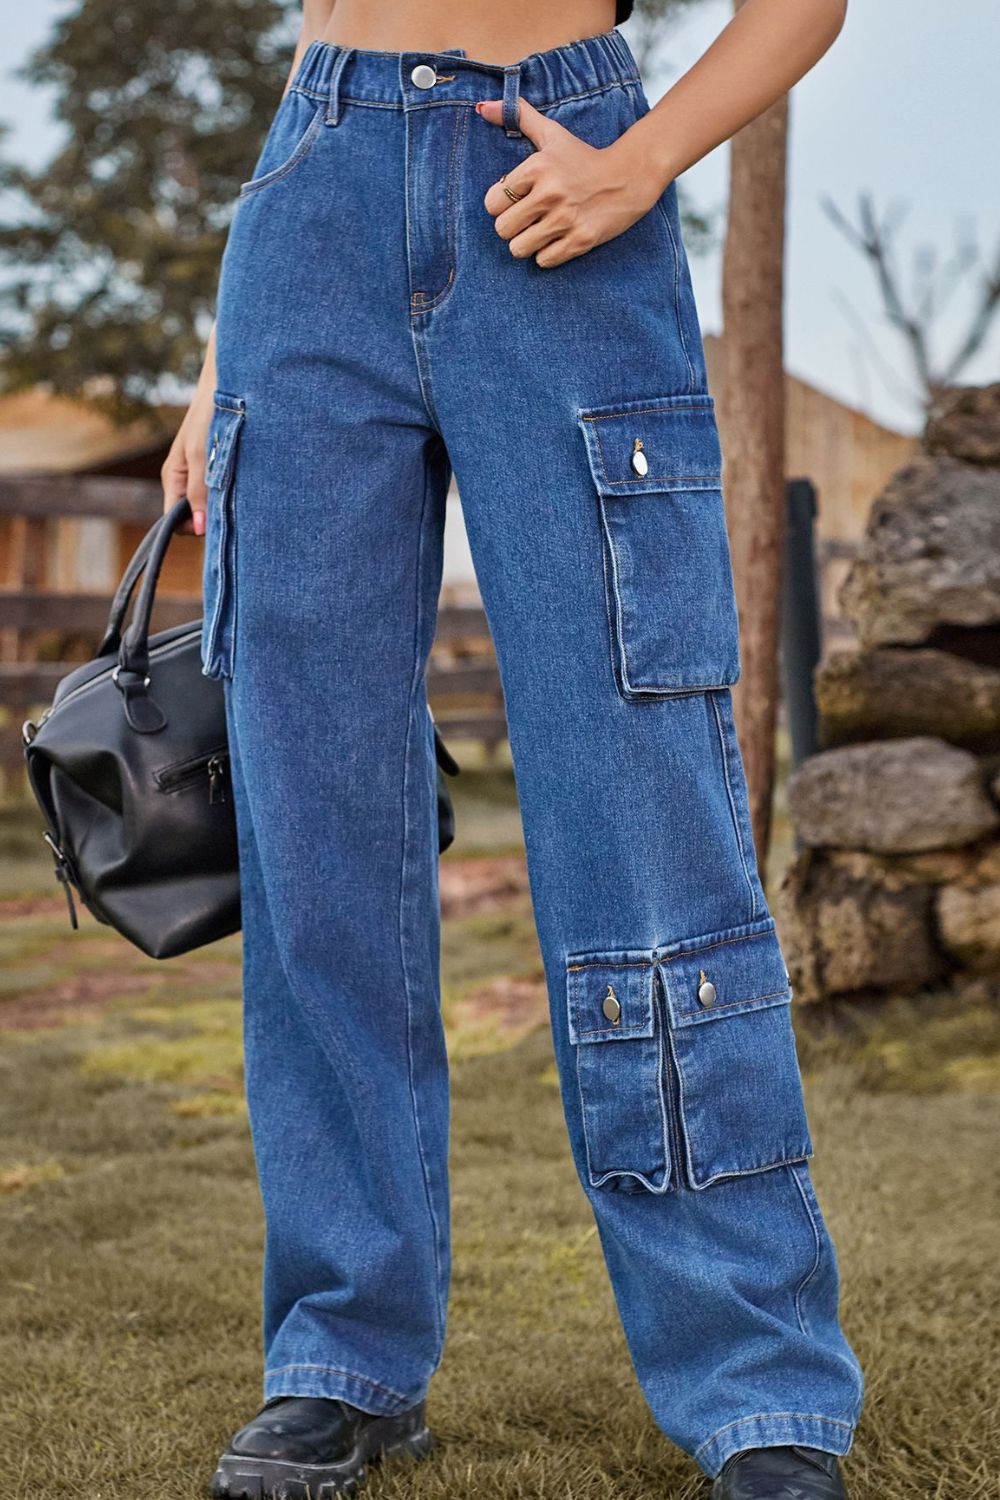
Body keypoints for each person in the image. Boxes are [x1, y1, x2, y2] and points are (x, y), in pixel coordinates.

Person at [162, 1, 862, 1496]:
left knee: (647, 824)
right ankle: (344, 1355)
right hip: (313, 196)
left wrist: (647, 153)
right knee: (315, 841)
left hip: (557, 166)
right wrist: (224, 353)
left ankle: (758, 1381)